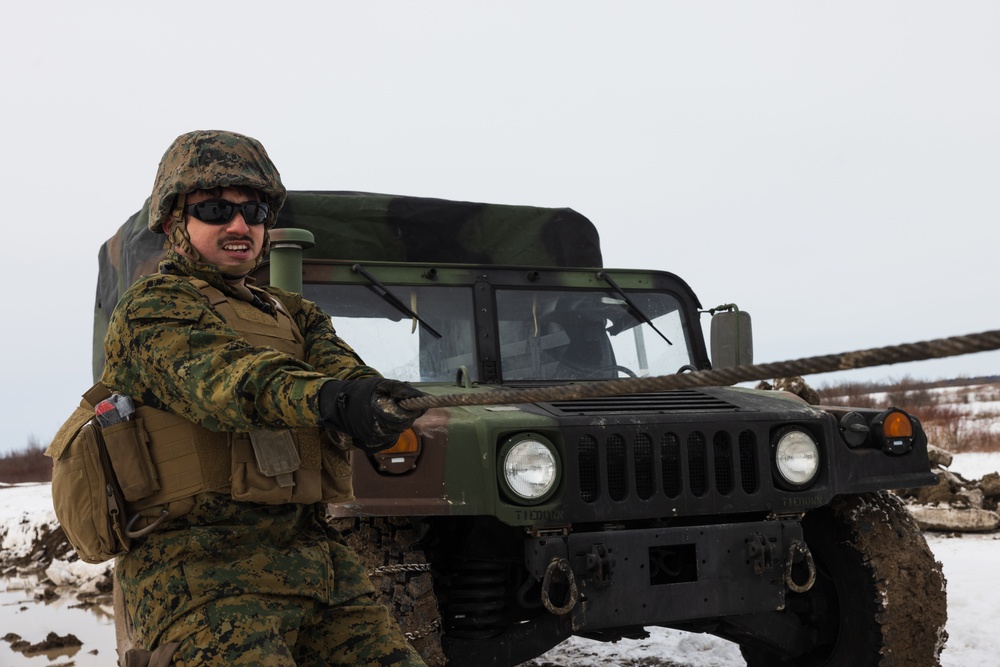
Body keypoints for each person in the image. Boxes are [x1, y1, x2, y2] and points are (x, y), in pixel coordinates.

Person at [101, 129, 428, 666]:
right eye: (214, 209)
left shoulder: (293, 313)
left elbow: (343, 374)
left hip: (314, 560)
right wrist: (331, 399)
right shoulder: (151, 308)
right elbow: (227, 380)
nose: (239, 226)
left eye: (254, 211)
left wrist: (373, 404)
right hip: (199, 574)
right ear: (172, 222)